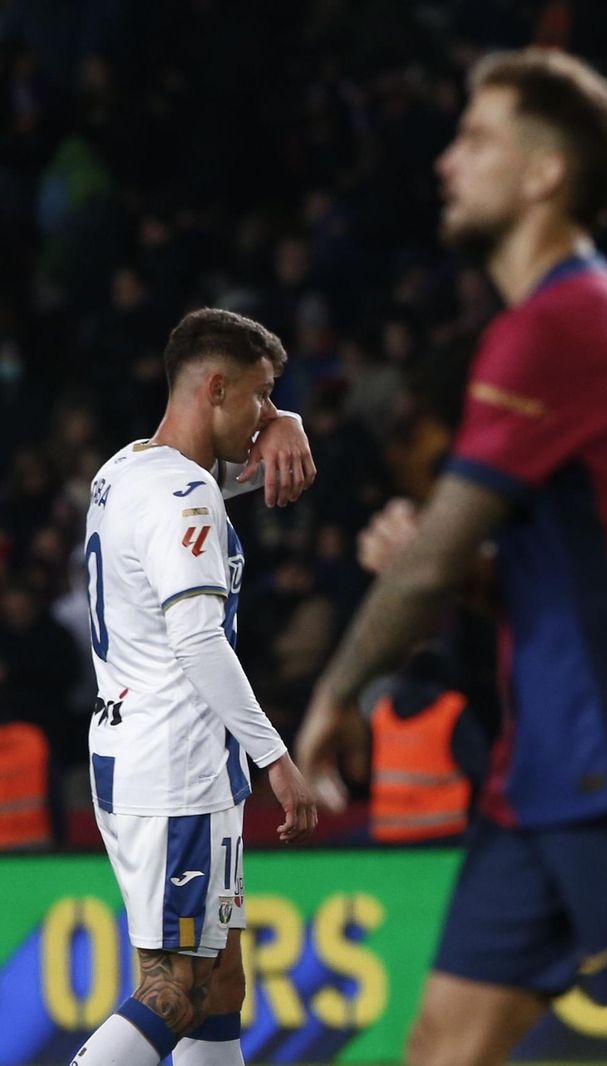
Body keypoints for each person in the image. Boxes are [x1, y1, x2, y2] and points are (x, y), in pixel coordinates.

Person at [293, 48, 607, 1065]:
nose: (445, 163)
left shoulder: (556, 325)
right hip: (544, 766)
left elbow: (431, 565)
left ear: (545, 172)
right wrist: (450, 569)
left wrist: (338, 691)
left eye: (475, 140)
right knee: (442, 1047)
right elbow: (567, 560)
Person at [71, 307, 320, 1066]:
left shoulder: (125, 472)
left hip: (131, 750)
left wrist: (289, 424)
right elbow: (197, 638)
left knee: (220, 982)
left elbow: (218, 492)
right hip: (178, 767)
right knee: (176, 988)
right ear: (216, 387)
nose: (264, 414)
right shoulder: (186, 497)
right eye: (260, 396)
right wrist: (274, 757)